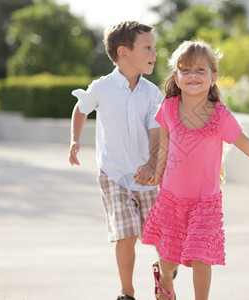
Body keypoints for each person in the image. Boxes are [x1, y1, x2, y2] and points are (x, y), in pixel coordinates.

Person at [141, 40, 249, 300]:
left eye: (200, 70)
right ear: (177, 78)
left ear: (213, 77)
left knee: (201, 258)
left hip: (205, 203)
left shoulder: (221, 117)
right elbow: (165, 146)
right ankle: (165, 276)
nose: (193, 75)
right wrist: (156, 174)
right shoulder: (168, 108)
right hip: (172, 199)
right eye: (185, 70)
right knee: (170, 260)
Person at [68, 21, 162, 300]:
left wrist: (153, 164)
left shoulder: (151, 93)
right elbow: (81, 108)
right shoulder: (102, 87)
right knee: (126, 233)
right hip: (112, 173)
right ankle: (127, 292)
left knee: (159, 234)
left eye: (154, 48)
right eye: (147, 47)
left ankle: (166, 271)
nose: (154, 53)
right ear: (124, 52)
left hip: (147, 175)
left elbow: (156, 131)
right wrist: (75, 140)